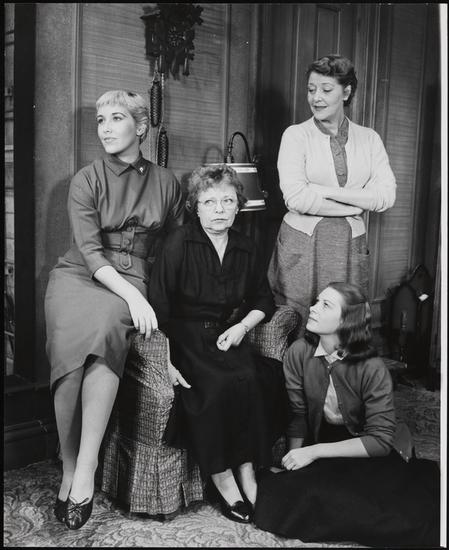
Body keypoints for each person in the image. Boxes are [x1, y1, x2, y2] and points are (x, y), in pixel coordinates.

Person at [44, 90, 184, 530]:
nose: (105, 127)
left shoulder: (167, 183)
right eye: (100, 120)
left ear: (140, 127)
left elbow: (175, 250)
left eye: (116, 118)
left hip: (134, 279)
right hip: (79, 275)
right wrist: (134, 298)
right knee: (69, 355)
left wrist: (155, 301)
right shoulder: (86, 179)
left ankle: (85, 470)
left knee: (106, 328)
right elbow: (88, 250)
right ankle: (70, 468)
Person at [148, 164, 288, 524]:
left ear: (238, 206)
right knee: (216, 386)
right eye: (209, 202)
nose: (219, 209)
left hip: (227, 334)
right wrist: (166, 361)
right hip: (184, 336)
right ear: (196, 207)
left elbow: (264, 300)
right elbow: (159, 308)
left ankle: (247, 471)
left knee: (255, 380)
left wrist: (242, 326)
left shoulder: (245, 247)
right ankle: (223, 478)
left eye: (227, 201)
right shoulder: (178, 243)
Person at [254, 282, 440, 546]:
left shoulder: (372, 367)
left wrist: (314, 452)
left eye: (325, 305)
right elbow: (298, 414)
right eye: (316, 302)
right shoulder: (298, 352)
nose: (313, 309)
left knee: (397, 516)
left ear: (346, 320)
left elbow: (379, 442)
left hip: (367, 449)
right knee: (291, 493)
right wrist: (294, 459)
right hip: (325, 440)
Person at [268, 54, 396, 331]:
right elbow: (297, 198)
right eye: (311, 89)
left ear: (346, 92)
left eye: (326, 90)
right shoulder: (295, 135)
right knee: (298, 325)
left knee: (345, 323)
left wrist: (323, 191)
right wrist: (357, 204)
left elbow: (386, 196)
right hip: (302, 246)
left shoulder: (370, 139)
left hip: (350, 246)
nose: (316, 98)